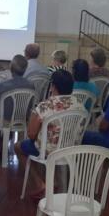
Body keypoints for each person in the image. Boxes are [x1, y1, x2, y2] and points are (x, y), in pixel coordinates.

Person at [14, 70, 85, 199]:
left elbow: (31, 134)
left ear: (53, 86)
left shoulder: (45, 106)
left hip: (48, 150)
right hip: (71, 148)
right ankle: (56, 182)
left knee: (18, 147)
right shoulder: (79, 105)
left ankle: (39, 183)